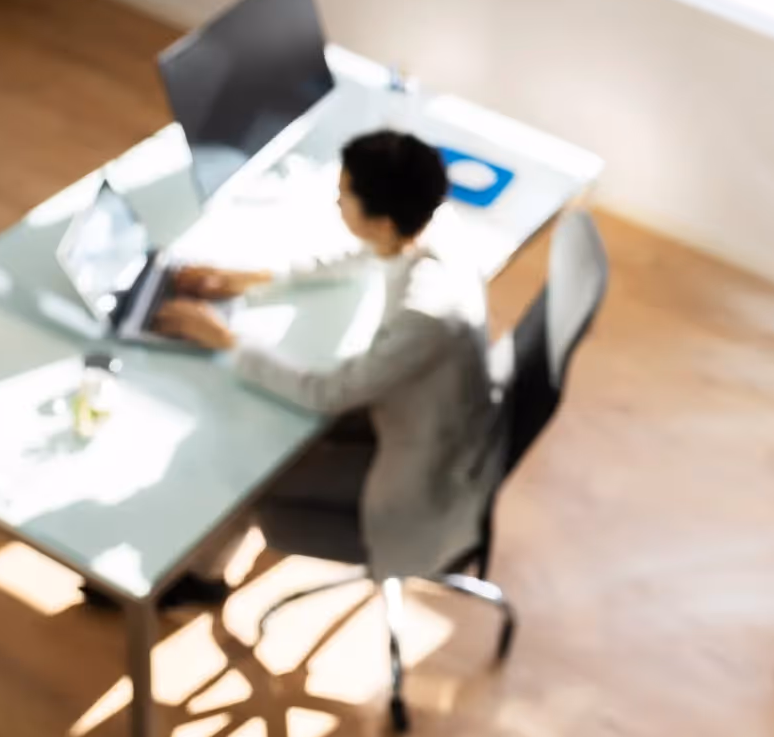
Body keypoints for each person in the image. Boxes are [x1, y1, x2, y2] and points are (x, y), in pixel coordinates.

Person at [93, 130, 502, 609]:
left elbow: (326, 393)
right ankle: (202, 564)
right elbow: (359, 256)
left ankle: (197, 581)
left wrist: (226, 340)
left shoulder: (424, 316)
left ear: (384, 220)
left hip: (423, 477)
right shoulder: (432, 225)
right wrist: (248, 280)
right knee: (256, 423)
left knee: (242, 466)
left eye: (344, 194)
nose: (336, 201)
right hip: (430, 416)